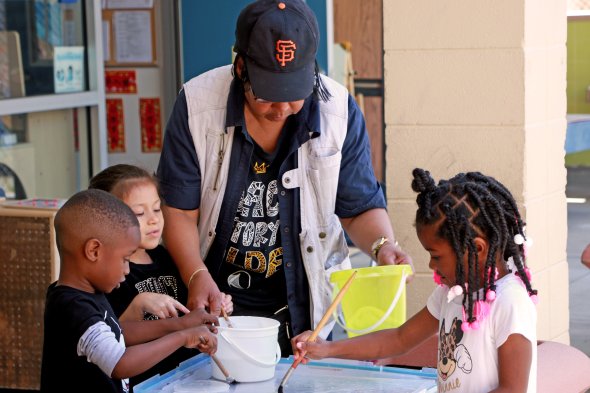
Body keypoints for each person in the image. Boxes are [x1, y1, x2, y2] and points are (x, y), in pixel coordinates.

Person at [156, 0, 412, 356]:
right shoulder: (197, 106)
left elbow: (357, 207)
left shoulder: (338, 109)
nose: (281, 109)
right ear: (240, 67)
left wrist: (382, 245)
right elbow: (179, 212)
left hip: (304, 310)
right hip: (218, 306)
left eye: (294, 95)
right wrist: (197, 276)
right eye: (267, 95)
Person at [291, 168, 538, 393]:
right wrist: (326, 349)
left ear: (478, 248)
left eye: (436, 255)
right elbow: (400, 338)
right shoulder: (451, 294)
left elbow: (513, 389)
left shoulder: (510, 302)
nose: (431, 265)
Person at [40, 189, 218, 393]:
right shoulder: (72, 307)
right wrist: (183, 337)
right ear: (94, 251)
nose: (127, 270)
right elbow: (120, 363)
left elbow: (117, 332)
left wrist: (180, 324)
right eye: (125, 259)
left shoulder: (87, 293)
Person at [88, 164, 232, 387]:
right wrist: (138, 306)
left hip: (183, 380)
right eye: (139, 213)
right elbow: (111, 341)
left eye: (156, 209)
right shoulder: (108, 275)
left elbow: (188, 316)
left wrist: (214, 308)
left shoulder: (165, 257)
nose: (154, 219)